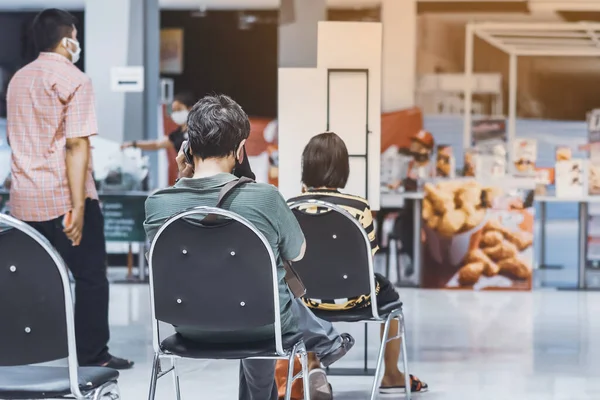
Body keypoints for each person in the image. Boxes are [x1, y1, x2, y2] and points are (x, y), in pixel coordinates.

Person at [144, 95, 354, 400]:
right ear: (241, 149)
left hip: (189, 327)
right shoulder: (266, 198)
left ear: (187, 147)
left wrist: (180, 180)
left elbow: (161, 264)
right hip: (261, 325)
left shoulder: (157, 204)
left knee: (252, 306)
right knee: (260, 304)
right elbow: (298, 253)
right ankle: (323, 343)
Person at [5, 9, 133, 369]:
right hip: (64, 200)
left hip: (23, 203)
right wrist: (77, 207)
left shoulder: (18, 79)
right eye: (75, 35)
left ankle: (25, 352)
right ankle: (92, 356)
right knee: (91, 278)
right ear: (67, 40)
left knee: (29, 277)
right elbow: (77, 145)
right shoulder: (74, 79)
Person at [287, 132, 428, 397]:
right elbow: (367, 260)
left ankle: (314, 364)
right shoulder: (358, 207)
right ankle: (391, 374)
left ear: (306, 167)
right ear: (343, 169)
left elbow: (288, 258)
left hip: (306, 303)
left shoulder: (290, 206)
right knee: (391, 298)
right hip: (356, 297)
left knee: (296, 291)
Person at [121, 92, 195, 153]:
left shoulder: (197, 130)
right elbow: (156, 144)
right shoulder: (176, 135)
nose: (176, 113)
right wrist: (133, 144)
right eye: (174, 110)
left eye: (179, 109)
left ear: (190, 108)